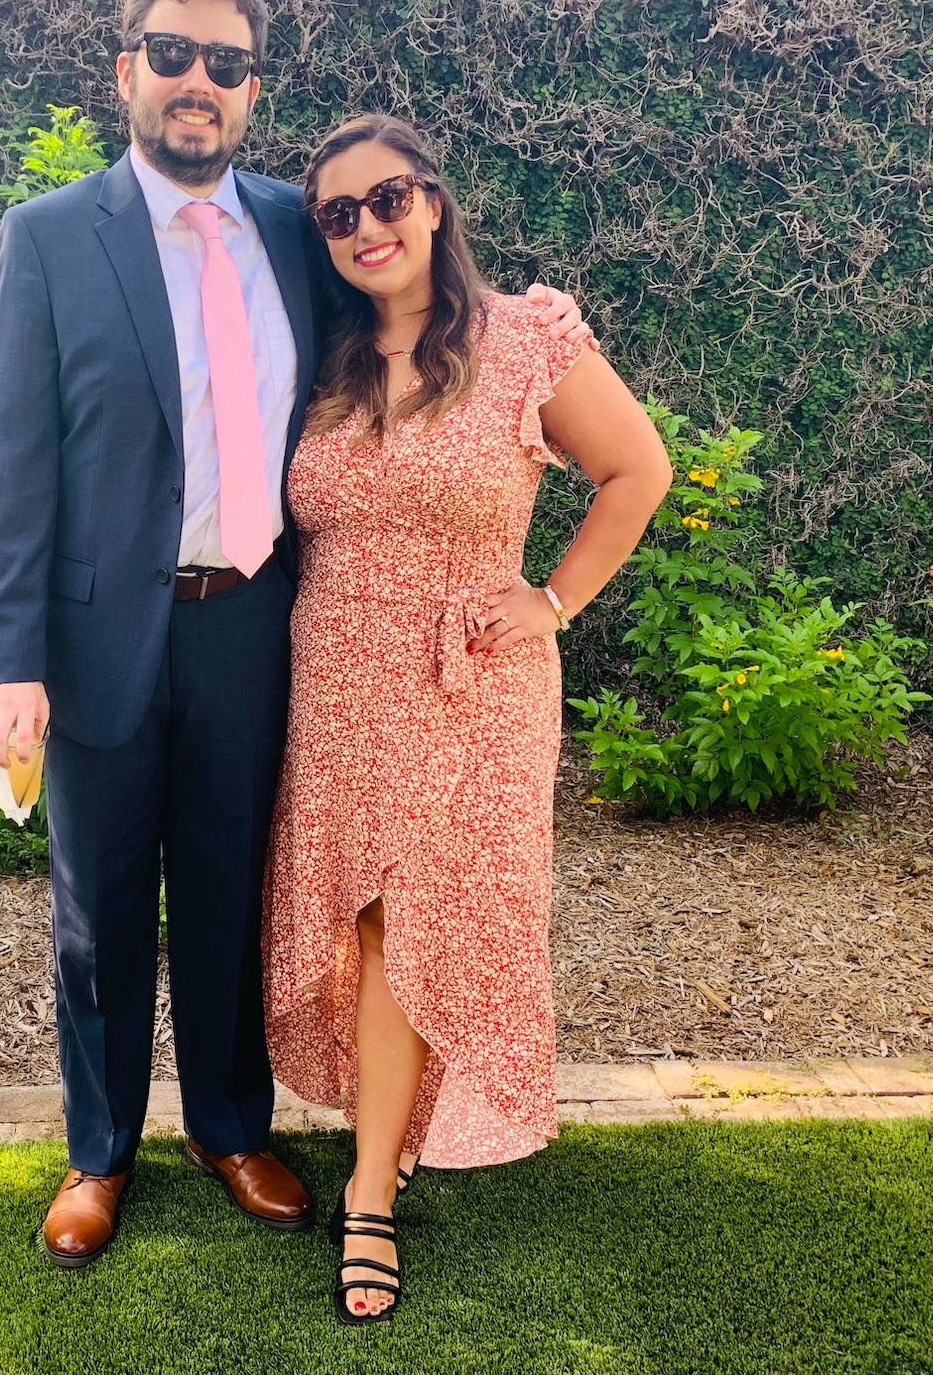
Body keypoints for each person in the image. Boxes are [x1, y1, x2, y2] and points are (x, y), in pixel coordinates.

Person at [0, 0, 595, 1268]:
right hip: (97, 636)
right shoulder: (49, 238)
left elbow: (415, 343)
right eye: (173, 54)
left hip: (259, 627)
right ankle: (98, 1151)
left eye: (227, 63)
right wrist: (5, 659)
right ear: (128, 70)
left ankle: (229, 1127)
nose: (198, 81)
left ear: (252, 88)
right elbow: (9, 467)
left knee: (230, 894)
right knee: (98, 914)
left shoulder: (298, 230)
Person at [261, 114, 671, 1325]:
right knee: (363, 922)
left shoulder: (525, 338)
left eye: (385, 198)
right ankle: (381, 1142)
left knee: (412, 922)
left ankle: (368, 1194)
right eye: (336, 215)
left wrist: (553, 600)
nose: (364, 228)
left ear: (432, 202)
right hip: (334, 682)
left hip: (467, 685)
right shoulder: (323, 361)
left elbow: (636, 470)